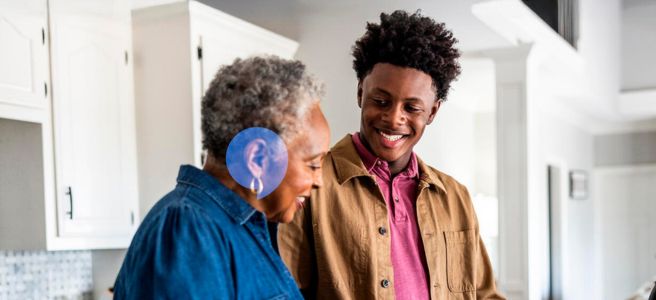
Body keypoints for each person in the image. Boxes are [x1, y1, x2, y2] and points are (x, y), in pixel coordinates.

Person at [279, 10, 504, 299]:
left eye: (412, 108)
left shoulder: (455, 196)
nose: (394, 118)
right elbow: (287, 291)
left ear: (433, 112)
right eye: (381, 101)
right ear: (361, 92)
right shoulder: (310, 183)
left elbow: (485, 294)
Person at [113, 55, 330, 299]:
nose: (319, 181)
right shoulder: (188, 231)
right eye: (312, 165)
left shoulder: (242, 228)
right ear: (257, 159)